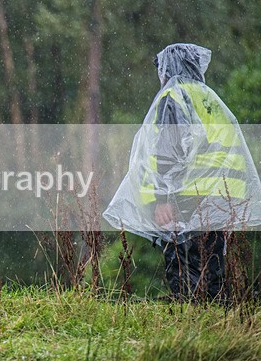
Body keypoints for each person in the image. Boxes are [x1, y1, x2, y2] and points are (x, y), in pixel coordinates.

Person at [104, 43, 261, 301]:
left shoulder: (174, 97)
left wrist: (161, 198)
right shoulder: (210, 98)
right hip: (224, 194)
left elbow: (168, 151)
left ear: (168, 70)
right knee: (212, 264)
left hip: (189, 193)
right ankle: (215, 315)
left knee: (182, 261)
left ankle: (188, 316)